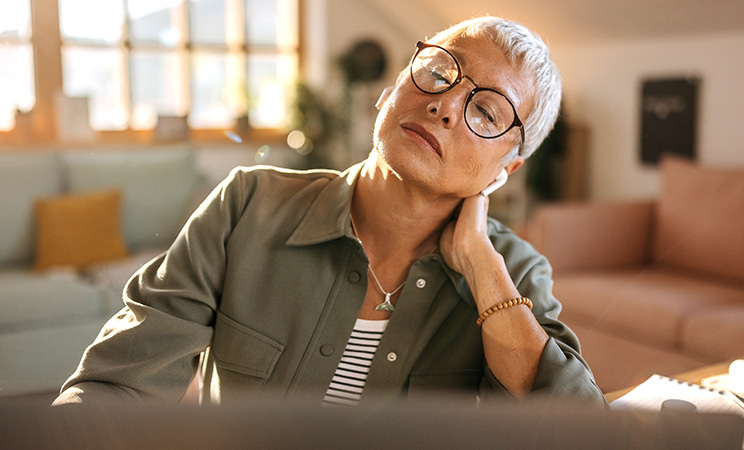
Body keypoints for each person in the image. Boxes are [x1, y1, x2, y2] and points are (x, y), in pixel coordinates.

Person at [53, 15, 605, 408]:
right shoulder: (247, 206)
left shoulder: (514, 273)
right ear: (392, 91)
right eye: (439, 73)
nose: (443, 104)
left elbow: (580, 425)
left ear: (502, 171)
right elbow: (117, 386)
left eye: (485, 109)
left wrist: (482, 269)